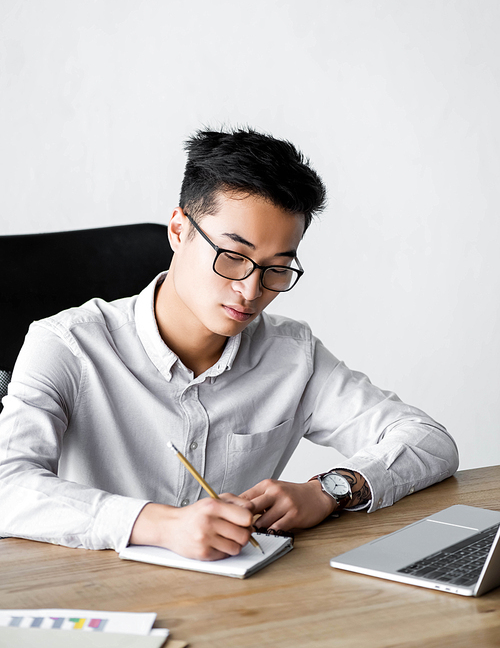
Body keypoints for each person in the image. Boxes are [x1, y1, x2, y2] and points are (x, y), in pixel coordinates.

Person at [0, 128, 458, 560]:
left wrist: (329, 490)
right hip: (92, 596)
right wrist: (158, 525)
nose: (251, 290)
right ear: (179, 230)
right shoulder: (66, 345)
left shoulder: (292, 355)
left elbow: (428, 441)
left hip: (239, 600)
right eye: (233, 257)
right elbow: (7, 486)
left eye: (277, 267)